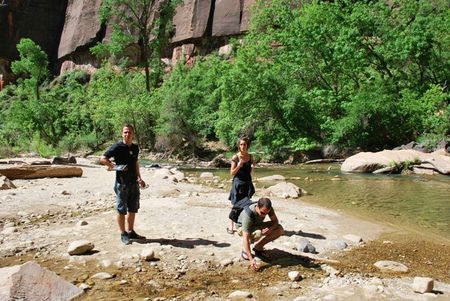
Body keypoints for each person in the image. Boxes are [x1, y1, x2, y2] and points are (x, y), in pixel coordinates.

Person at [100, 124, 146, 245]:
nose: (127, 134)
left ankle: (131, 231)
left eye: (129, 132)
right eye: (125, 132)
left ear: (133, 134)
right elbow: (103, 158)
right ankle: (123, 233)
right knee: (121, 210)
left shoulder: (135, 148)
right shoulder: (117, 147)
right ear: (122, 134)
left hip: (134, 183)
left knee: (133, 208)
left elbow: (136, 162)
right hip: (122, 183)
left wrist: (140, 178)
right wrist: (114, 167)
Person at [236, 197, 284, 271]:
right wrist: (251, 259)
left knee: (279, 229)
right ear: (257, 207)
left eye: (266, 213)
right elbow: (245, 238)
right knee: (258, 233)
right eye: (262, 213)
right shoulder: (248, 214)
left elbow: (275, 221)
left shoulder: (268, 208)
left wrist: (270, 229)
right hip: (242, 227)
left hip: (257, 224)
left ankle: (258, 247)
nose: (264, 215)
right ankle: (245, 251)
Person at [227, 136, 256, 234]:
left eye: (244, 144)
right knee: (236, 205)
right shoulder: (235, 157)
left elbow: (250, 173)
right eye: (241, 144)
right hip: (238, 184)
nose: (243, 146)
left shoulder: (250, 157)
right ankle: (230, 226)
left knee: (246, 204)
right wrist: (239, 165)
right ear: (238, 146)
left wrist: (253, 167)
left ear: (247, 145)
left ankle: (243, 223)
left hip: (247, 183)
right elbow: (232, 173)